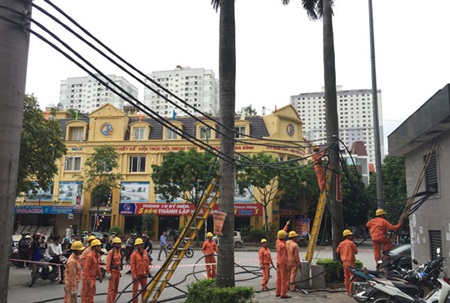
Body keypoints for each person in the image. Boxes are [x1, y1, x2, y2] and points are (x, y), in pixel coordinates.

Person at [336, 229, 358, 296]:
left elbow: (337, 251)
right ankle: (352, 292)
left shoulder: (341, 243)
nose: (352, 236)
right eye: (350, 235)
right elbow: (356, 252)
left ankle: (348, 291)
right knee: (353, 277)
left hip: (344, 263)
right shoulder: (351, 243)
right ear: (347, 236)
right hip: (350, 262)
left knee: (346, 277)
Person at [81, 239, 103, 303]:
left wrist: (100, 276)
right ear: (95, 247)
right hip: (89, 278)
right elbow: (86, 268)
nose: (100, 248)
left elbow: (97, 266)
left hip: (93, 278)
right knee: (86, 296)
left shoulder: (97, 255)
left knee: (91, 295)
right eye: (99, 246)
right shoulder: (89, 256)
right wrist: (87, 279)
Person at [130, 238, 150, 303]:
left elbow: (147, 263)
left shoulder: (145, 253)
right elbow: (132, 266)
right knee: (135, 290)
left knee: (144, 289)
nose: (137, 246)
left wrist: (148, 272)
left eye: (138, 245)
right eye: (136, 245)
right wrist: (134, 275)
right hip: (137, 275)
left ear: (141, 245)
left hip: (144, 274)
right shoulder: (133, 255)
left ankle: (143, 301)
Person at [106, 237, 123, 303]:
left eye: (119, 243)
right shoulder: (111, 252)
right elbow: (108, 262)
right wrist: (108, 272)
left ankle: (112, 301)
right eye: (117, 243)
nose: (119, 245)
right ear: (114, 244)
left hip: (117, 271)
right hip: (112, 272)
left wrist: (120, 271)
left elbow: (119, 262)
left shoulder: (119, 252)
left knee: (116, 289)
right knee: (111, 289)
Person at [275, 229, 290, 299]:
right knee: (284, 278)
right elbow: (284, 257)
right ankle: (283, 293)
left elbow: (281, 233)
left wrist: (286, 225)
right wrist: (287, 265)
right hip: (282, 263)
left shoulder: (277, 242)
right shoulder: (283, 246)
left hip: (278, 262)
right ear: (284, 237)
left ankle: (278, 292)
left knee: (279, 277)